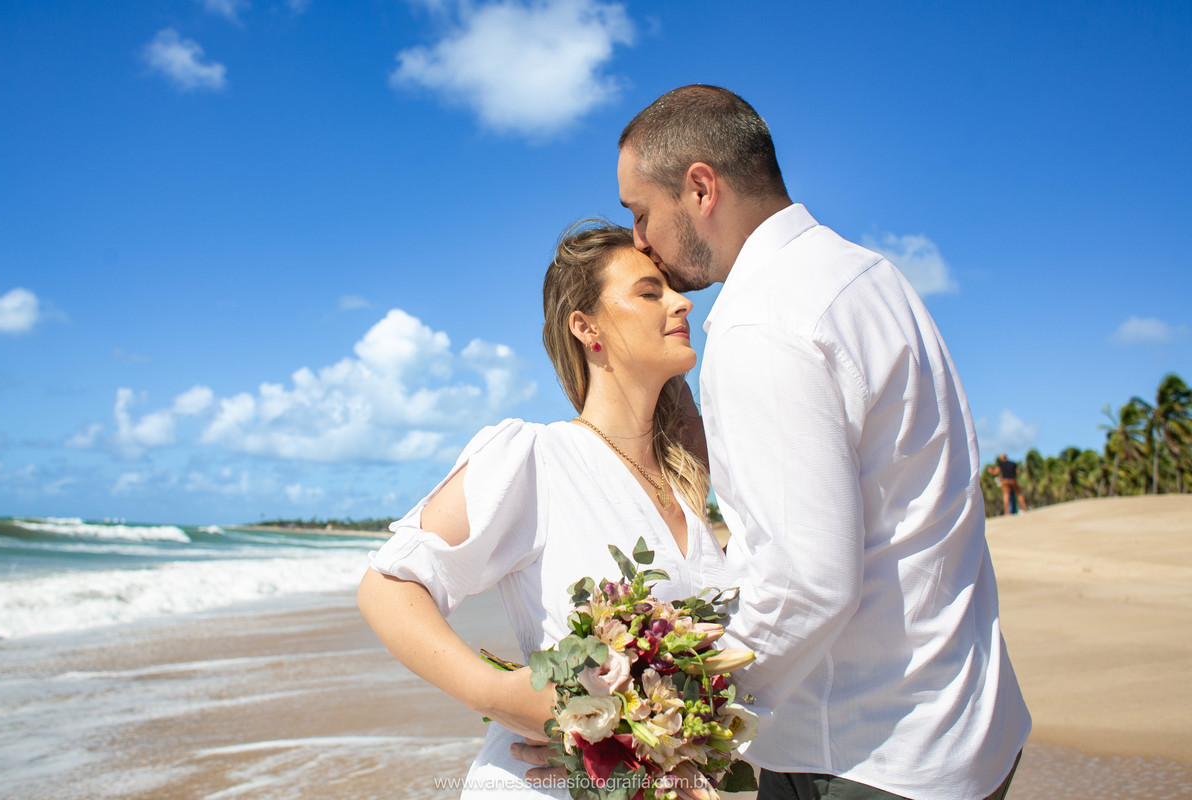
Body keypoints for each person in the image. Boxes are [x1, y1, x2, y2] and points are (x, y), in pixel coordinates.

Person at [614, 85, 1031, 800]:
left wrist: (677, 720)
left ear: (700, 187)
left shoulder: (763, 321)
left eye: (642, 213)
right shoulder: (872, 275)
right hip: (967, 721)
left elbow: (806, 582)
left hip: (869, 754)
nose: (639, 241)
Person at [357, 222, 727, 798]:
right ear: (586, 326)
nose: (682, 303)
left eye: (674, 290)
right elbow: (390, 584)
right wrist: (498, 696)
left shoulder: (687, 485)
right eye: (650, 292)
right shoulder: (536, 457)